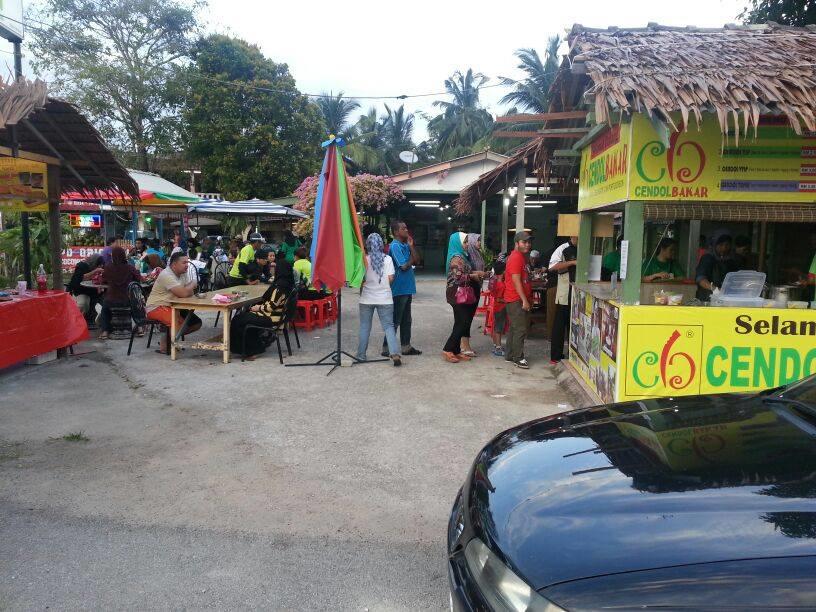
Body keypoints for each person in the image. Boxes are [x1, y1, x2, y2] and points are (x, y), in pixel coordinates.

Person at [229, 256, 295, 360]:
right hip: (279, 316)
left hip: (272, 317)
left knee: (238, 320)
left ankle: (251, 351)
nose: (274, 270)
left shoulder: (280, 287)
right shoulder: (288, 283)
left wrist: (258, 308)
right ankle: (249, 347)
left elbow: (272, 306)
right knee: (241, 318)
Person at [357, 233, 401, 367]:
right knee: (389, 327)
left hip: (366, 299)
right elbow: (391, 278)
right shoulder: (387, 259)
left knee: (365, 327)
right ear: (382, 245)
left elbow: (360, 280)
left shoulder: (363, 259)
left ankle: (361, 355)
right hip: (385, 299)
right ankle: (394, 353)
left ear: (368, 245)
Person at [145, 252, 202, 354]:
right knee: (178, 323)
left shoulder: (183, 274)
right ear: (174, 264)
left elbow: (190, 293)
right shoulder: (166, 274)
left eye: (187, 262)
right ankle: (166, 345)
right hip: (156, 306)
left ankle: (168, 338)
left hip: (174, 306)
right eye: (184, 262)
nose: (187, 265)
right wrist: (193, 283)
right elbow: (185, 293)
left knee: (196, 323)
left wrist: (187, 289)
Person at [442, 232, 485, 363]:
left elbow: (465, 271)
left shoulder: (462, 256)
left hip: (460, 293)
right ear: (458, 243)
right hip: (457, 293)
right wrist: (474, 276)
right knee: (463, 322)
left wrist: (474, 273)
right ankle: (447, 349)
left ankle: (455, 351)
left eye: (467, 242)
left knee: (460, 321)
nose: (467, 245)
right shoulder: (456, 258)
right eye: (465, 242)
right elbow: (458, 276)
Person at [382, 220, 421, 357]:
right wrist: (411, 257)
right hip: (398, 289)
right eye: (403, 228)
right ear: (396, 232)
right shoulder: (395, 246)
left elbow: (417, 260)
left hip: (407, 288)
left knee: (406, 320)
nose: (406, 230)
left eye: (406, 227)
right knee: (395, 319)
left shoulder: (405, 245)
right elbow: (404, 266)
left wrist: (411, 248)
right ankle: (386, 348)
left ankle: (406, 347)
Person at [99, 246, 143, 340]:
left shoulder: (108, 268)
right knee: (136, 304)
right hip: (127, 299)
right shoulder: (129, 267)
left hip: (111, 299)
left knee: (104, 310)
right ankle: (140, 328)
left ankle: (105, 331)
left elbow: (103, 281)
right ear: (123, 255)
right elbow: (138, 279)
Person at [505, 232, 534, 369]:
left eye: (528, 242)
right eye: (524, 242)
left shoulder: (520, 257)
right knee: (520, 329)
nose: (527, 244)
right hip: (516, 299)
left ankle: (510, 355)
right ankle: (518, 357)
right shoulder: (516, 257)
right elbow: (516, 281)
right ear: (517, 243)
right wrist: (524, 300)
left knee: (514, 328)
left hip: (515, 298)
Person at [549, 235, 578, 364]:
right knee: (560, 325)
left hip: (579, 294)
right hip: (565, 292)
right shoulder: (564, 248)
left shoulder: (586, 247)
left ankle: (573, 356)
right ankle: (555, 356)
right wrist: (572, 262)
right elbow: (552, 266)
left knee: (575, 326)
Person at [461, 232, 485, 356]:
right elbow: (465, 271)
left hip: (475, 287)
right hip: (469, 288)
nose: (479, 243)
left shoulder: (477, 254)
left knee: (469, 316)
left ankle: (463, 344)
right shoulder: (467, 255)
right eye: (478, 240)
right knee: (467, 317)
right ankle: (465, 346)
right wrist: (479, 273)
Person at [695, 231, 737, 301]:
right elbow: (701, 279)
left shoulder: (731, 261)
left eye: (727, 245)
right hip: (706, 299)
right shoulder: (707, 258)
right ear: (714, 245)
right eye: (721, 245)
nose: (724, 248)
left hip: (725, 299)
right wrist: (716, 290)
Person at [67, 254, 104, 323]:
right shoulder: (82, 266)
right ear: (94, 263)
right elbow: (80, 278)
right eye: (99, 265)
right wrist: (95, 271)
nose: (101, 266)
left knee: (107, 303)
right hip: (81, 291)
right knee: (83, 304)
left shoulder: (100, 268)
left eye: (102, 265)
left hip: (94, 291)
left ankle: (101, 321)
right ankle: (78, 321)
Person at [488, 256, 508, 357]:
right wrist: (508, 300)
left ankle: (496, 345)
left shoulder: (497, 282)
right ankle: (498, 348)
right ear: (503, 271)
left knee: (497, 327)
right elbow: (499, 299)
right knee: (499, 328)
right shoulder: (501, 284)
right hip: (500, 307)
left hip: (497, 307)